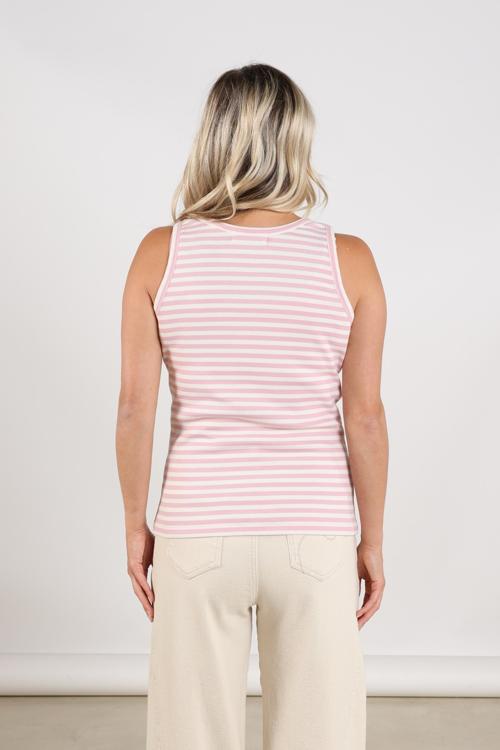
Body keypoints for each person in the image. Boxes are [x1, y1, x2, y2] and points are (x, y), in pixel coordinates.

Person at [116, 62, 388, 750]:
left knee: (189, 735)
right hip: (314, 532)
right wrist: (372, 540)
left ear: (212, 138)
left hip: (197, 528)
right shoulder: (349, 261)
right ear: (296, 141)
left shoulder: (160, 254)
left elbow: (135, 408)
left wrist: (135, 526)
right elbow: (365, 417)